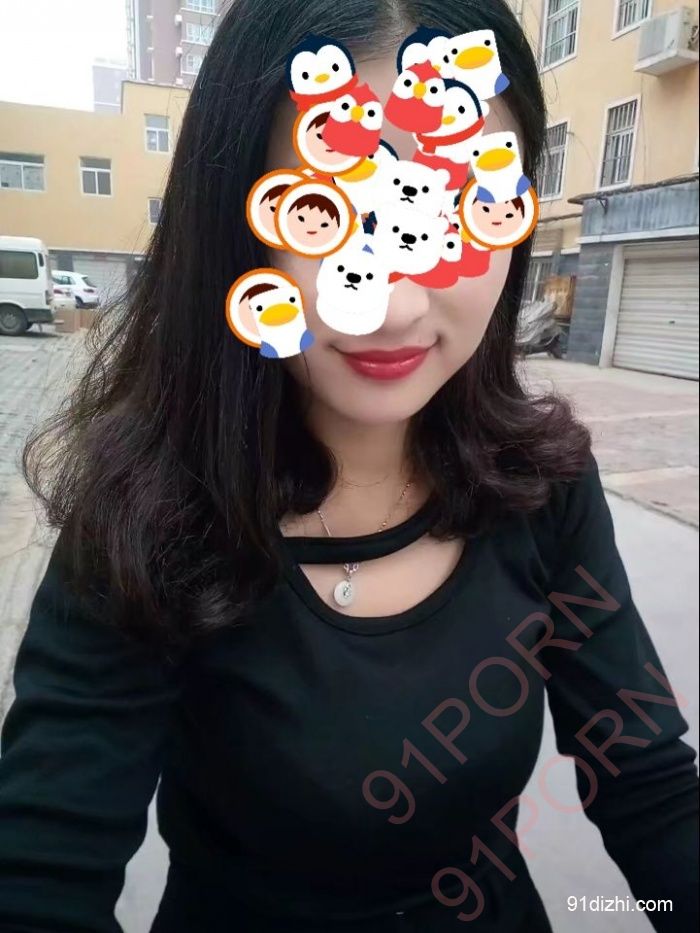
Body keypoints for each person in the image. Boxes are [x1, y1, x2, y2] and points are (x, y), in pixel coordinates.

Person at [0, 2, 697, 932]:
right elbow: (41, 868)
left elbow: (648, 781)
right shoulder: (146, 518)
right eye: (327, 213)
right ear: (238, 224)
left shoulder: (543, 486)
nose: (393, 305)